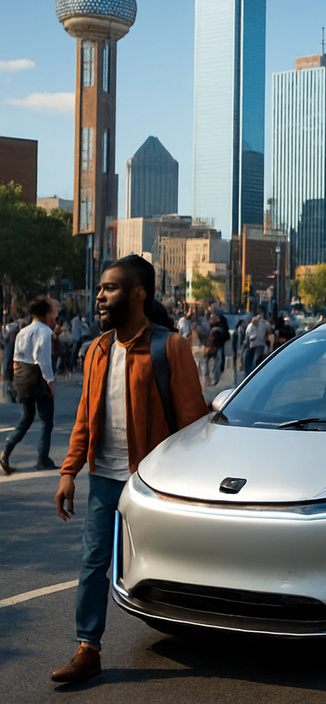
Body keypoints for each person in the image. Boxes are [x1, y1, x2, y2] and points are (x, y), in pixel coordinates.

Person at [50, 256, 208, 685]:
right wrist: (70, 471)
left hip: (153, 481)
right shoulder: (98, 350)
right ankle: (88, 648)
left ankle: (199, 628)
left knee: (176, 561)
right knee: (93, 561)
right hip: (104, 477)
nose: (100, 296)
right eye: (100, 288)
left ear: (139, 293)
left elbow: (193, 424)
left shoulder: (169, 346)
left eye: (111, 288)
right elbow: (85, 416)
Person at [2, 298, 60, 474]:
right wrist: (50, 382)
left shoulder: (22, 332)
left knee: (26, 418)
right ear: (47, 314)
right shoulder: (45, 332)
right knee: (46, 421)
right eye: (53, 311)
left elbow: (15, 359)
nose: (55, 315)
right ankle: (42, 459)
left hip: (23, 377)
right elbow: (42, 359)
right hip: (38, 378)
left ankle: (6, 450)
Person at [204, 315, 229, 386]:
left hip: (216, 347)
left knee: (216, 363)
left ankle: (215, 378)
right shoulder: (210, 327)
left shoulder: (220, 327)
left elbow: (225, 337)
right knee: (208, 363)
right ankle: (209, 378)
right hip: (211, 347)